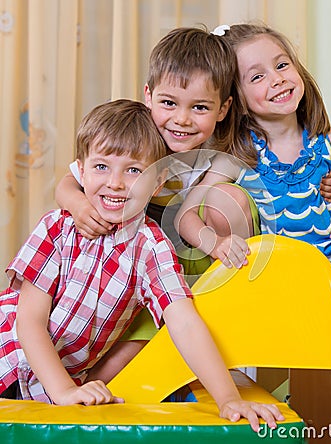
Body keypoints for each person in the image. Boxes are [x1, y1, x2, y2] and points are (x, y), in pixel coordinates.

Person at [55, 27, 331, 384]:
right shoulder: (137, 139)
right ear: (149, 96)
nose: (182, 119)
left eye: (200, 107)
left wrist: (330, 181)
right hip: (130, 260)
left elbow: (286, 164)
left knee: (227, 201)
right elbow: (69, 181)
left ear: (223, 110)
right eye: (169, 103)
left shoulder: (224, 148)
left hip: (190, 257)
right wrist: (79, 206)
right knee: (108, 368)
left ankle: (222, 335)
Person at [0, 98, 284, 431]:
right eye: (101, 167)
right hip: (12, 356)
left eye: (134, 170)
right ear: (81, 170)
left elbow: (185, 323)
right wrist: (63, 390)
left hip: (48, 385)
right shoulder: (56, 228)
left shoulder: (151, 248)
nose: (116, 183)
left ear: (159, 180)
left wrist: (227, 398)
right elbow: (29, 321)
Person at [175, 22, 331, 393]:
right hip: (288, 271)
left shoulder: (327, 139)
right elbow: (187, 214)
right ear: (237, 100)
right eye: (257, 76)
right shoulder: (239, 155)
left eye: (281, 66)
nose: (276, 79)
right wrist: (213, 243)